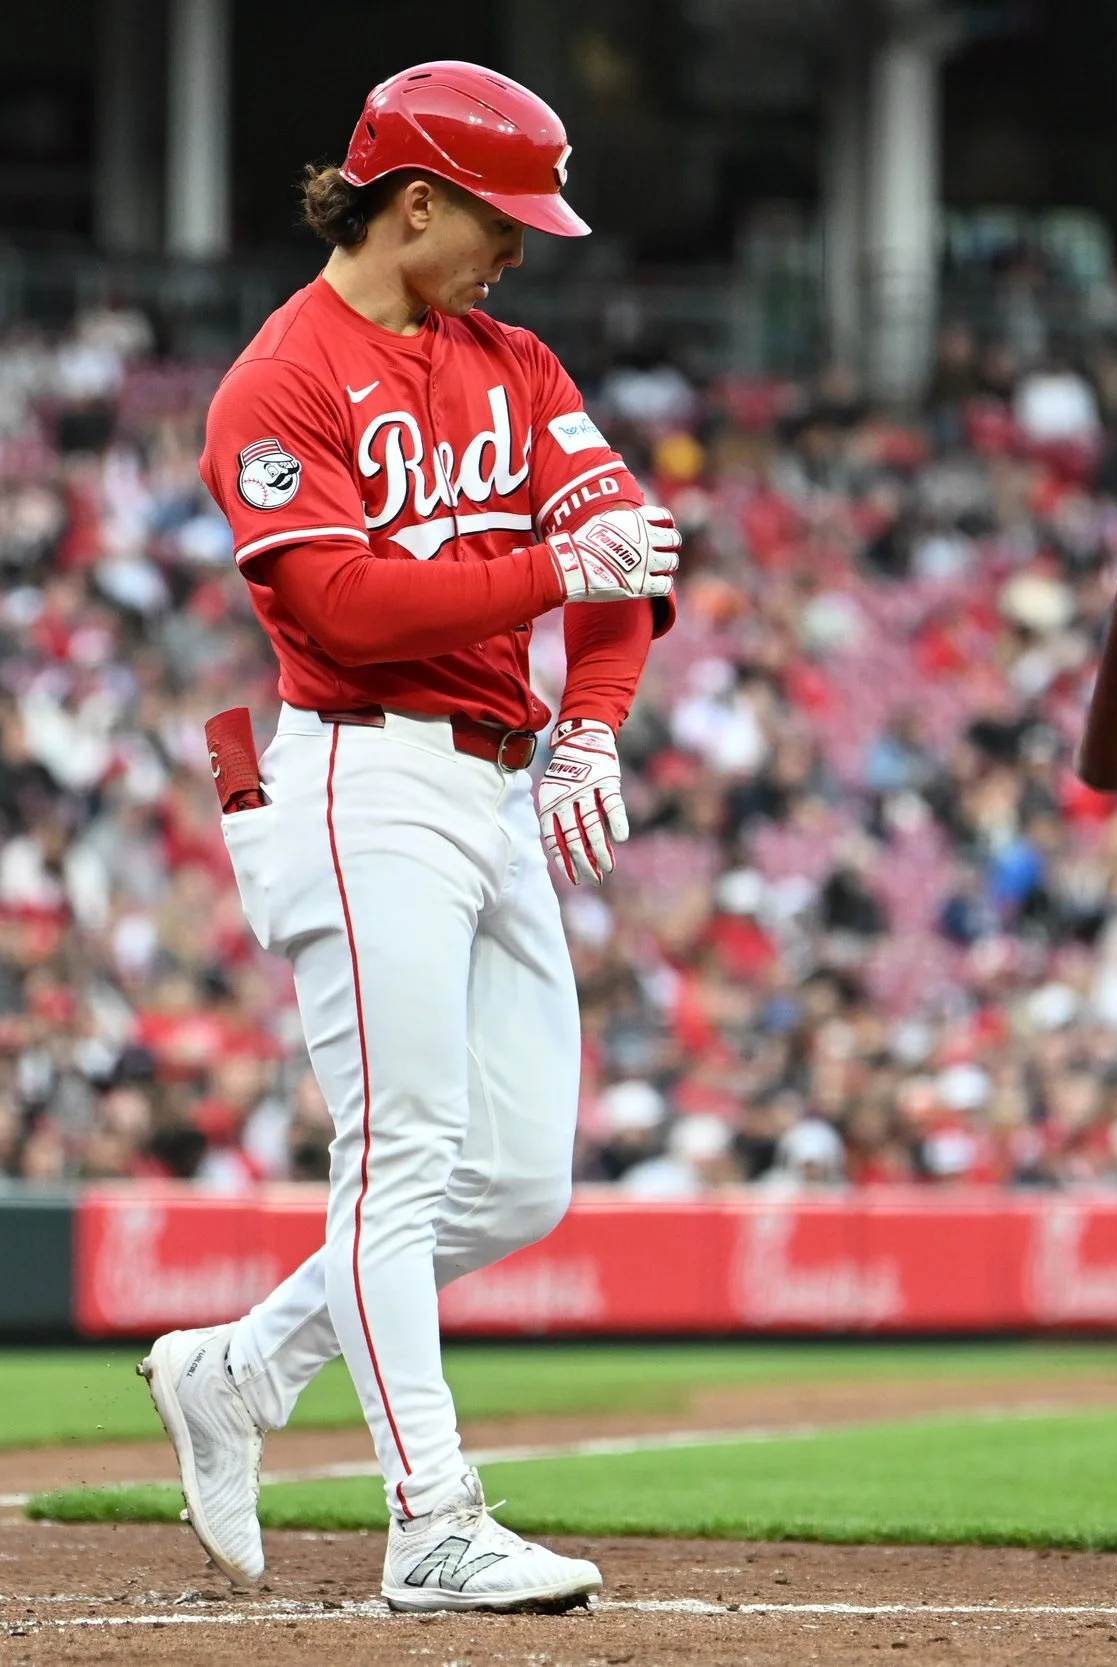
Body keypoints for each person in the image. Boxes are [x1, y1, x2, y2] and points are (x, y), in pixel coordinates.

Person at [138, 60, 678, 1614]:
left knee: (518, 1185)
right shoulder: (277, 379)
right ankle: (431, 1514)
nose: (523, 248)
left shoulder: (510, 359)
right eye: (501, 218)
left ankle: (241, 1370)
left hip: (500, 780)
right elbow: (337, 606)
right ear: (414, 199)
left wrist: (595, 715)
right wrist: (543, 574)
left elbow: (623, 555)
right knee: (403, 1155)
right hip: (359, 777)